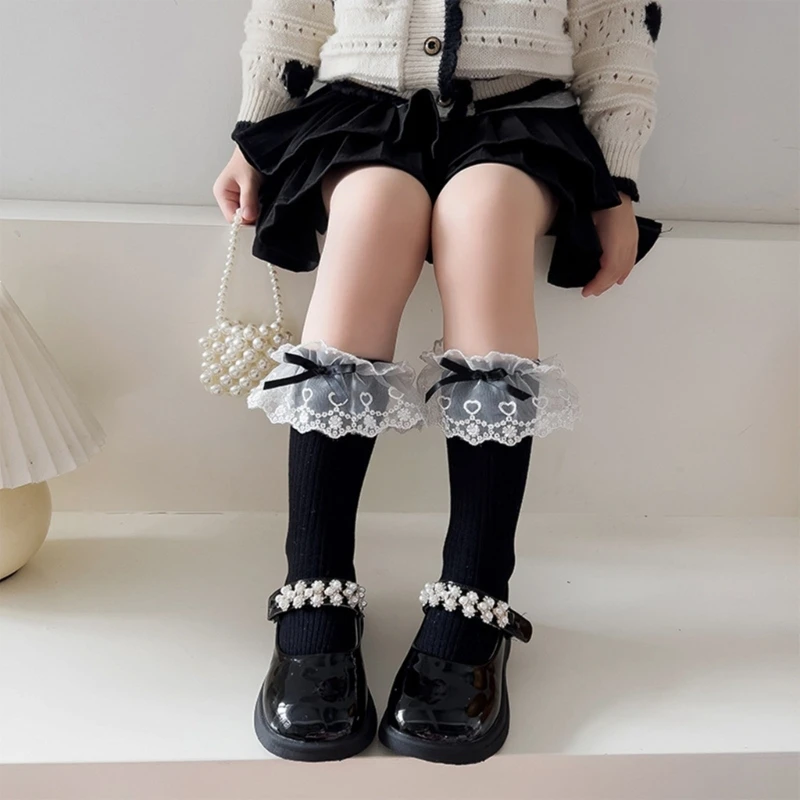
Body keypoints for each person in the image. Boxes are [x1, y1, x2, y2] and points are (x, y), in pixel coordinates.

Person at [214, 0, 662, 764]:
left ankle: (476, 592)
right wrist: (255, 129)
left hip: (520, 121)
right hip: (360, 112)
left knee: (484, 218)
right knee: (369, 217)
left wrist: (617, 181)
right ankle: (314, 584)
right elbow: (290, 14)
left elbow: (614, 31)